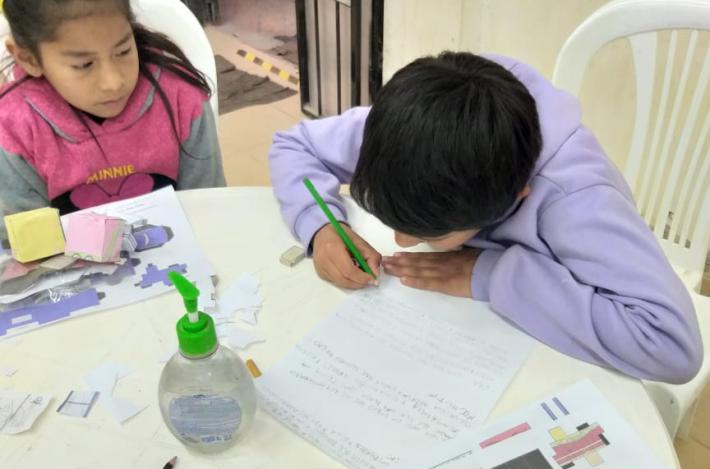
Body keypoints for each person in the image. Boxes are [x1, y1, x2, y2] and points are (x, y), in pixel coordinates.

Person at [269, 51, 702, 384]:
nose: (400, 241)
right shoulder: (417, 128)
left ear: (516, 198)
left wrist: (494, 273)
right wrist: (321, 226)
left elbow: (672, 347)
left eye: (432, 233)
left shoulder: (577, 200)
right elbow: (294, 145)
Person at [0, 0, 224, 239]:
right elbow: (27, 242)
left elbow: (210, 209)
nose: (114, 82)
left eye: (123, 51)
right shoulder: (13, 129)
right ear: (29, 59)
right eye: (84, 65)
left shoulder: (182, 98)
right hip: (69, 261)